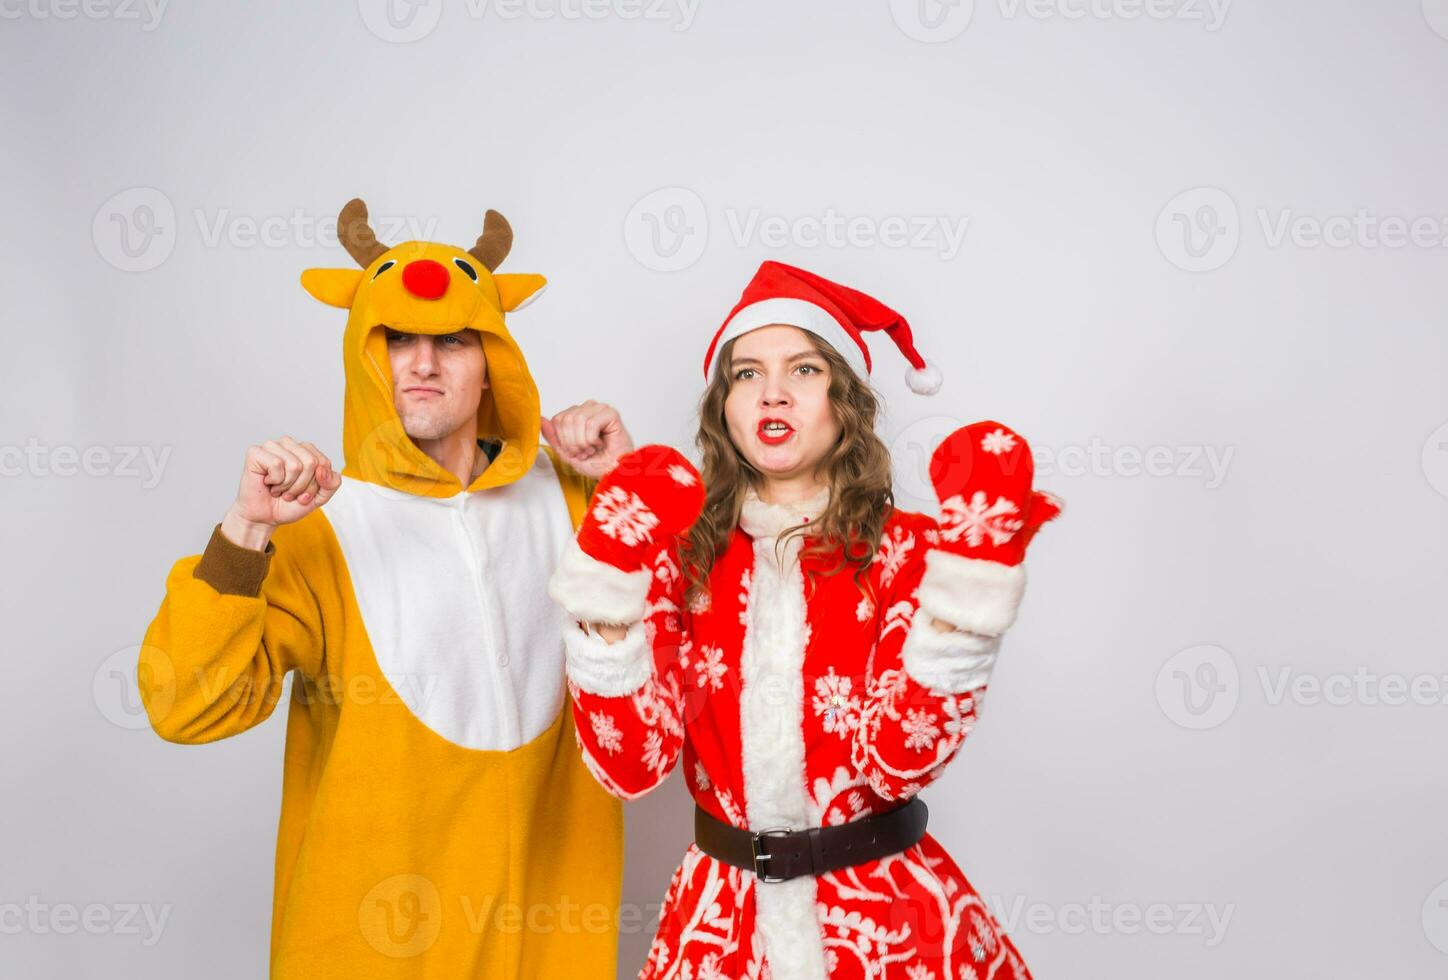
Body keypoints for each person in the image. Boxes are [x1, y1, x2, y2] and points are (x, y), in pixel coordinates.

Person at [138, 199, 626, 978]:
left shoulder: (571, 499)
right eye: (397, 339)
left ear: (492, 356)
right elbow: (186, 706)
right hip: (370, 951)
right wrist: (244, 530)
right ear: (365, 354)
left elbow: (691, 648)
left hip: (549, 948)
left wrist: (626, 490)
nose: (423, 364)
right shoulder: (317, 526)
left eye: (454, 340)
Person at [546, 260, 1061, 979]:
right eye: (747, 373)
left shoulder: (906, 551)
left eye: (806, 369)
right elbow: (628, 768)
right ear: (723, 406)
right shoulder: (678, 556)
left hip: (885, 922)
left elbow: (900, 760)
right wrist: (606, 590)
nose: (774, 392)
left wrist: (966, 602)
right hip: (724, 928)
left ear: (844, 401)